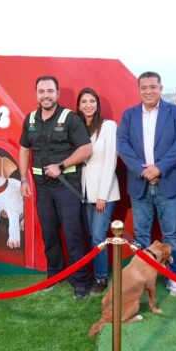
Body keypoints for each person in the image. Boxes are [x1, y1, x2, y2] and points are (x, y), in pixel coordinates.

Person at [19, 76, 92, 300]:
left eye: (50, 91)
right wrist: (23, 180)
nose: (46, 95)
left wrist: (61, 166)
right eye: (41, 91)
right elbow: (24, 149)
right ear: (36, 94)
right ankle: (55, 274)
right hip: (42, 189)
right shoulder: (30, 119)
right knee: (49, 233)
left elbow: (86, 149)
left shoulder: (70, 118)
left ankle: (80, 281)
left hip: (66, 187)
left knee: (73, 235)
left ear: (57, 93)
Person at [117, 71, 176, 296]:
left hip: (168, 182)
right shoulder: (129, 115)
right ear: (138, 90)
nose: (148, 91)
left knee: (171, 234)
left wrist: (159, 168)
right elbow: (123, 145)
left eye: (153, 87)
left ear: (160, 88)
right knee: (141, 235)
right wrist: (143, 171)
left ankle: (173, 277)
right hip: (140, 184)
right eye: (144, 87)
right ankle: (140, 277)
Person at [77, 87, 120, 294]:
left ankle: (101, 277)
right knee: (91, 235)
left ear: (97, 104)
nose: (88, 105)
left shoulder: (108, 126)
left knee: (97, 235)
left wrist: (102, 195)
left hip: (105, 192)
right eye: (84, 102)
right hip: (84, 193)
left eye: (92, 101)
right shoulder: (78, 128)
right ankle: (94, 274)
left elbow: (111, 161)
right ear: (79, 106)